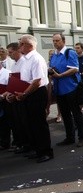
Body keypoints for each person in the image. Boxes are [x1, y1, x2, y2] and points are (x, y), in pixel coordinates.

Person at [15, 35, 54, 163]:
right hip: (28, 92)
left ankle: (46, 151)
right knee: (29, 123)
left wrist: (24, 93)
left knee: (39, 123)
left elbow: (37, 81)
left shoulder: (36, 59)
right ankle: (37, 149)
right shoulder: (25, 59)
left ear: (29, 46)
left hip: (36, 93)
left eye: (21, 44)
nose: (19, 46)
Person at [49, 34, 83, 147]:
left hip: (71, 88)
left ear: (63, 41)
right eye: (54, 41)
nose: (55, 43)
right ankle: (69, 137)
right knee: (65, 115)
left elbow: (75, 69)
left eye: (57, 40)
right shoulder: (54, 55)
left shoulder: (69, 52)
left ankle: (82, 137)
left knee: (76, 113)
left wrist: (60, 75)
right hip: (60, 89)